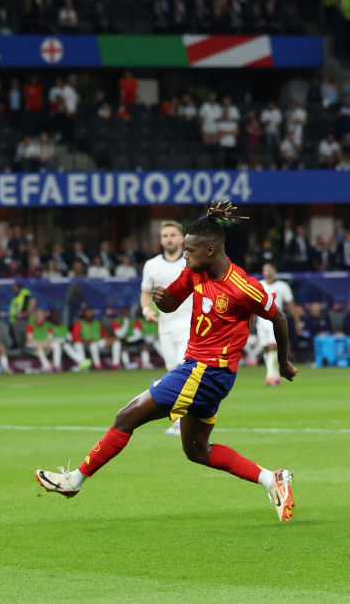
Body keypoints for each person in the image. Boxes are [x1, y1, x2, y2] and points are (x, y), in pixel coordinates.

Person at [36, 202, 297, 522]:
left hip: (207, 371)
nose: (185, 256)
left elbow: (279, 317)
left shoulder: (243, 286)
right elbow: (172, 303)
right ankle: (274, 479)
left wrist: (283, 362)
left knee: (127, 416)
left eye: (190, 250)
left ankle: (72, 481)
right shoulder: (194, 272)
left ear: (211, 250)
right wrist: (163, 299)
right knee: (197, 451)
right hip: (203, 371)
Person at [140, 220, 194, 435]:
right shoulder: (151, 265)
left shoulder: (191, 261)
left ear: (182, 238)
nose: (169, 239)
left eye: (173, 235)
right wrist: (146, 310)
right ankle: (184, 418)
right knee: (173, 372)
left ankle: (184, 420)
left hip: (189, 325)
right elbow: (145, 292)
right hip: (165, 326)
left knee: (183, 369)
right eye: (165, 236)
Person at [246, 263, 297, 386]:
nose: (268, 272)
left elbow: (290, 305)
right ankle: (273, 376)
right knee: (266, 348)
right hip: (261, 322)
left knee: (274, 345)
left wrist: (297, 322)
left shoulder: (282, 286)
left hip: (275, 321)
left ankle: (270, 376)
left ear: (275, 271)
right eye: (265, 270)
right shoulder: (259, 285)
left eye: (270, 270)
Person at [26, 308, 60, 372]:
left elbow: (50, 338)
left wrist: (47, 344)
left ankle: (56, 366)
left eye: (41, 315)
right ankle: (48, 367)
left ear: (44, 316)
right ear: (35, 316)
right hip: (33, 346)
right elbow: (30, 339)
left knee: (56, 345)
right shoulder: (30, 325)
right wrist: (42, 345)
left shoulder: (48, 325)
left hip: (45, 344)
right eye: (38, 315)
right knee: (38, 348)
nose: (39, 317)